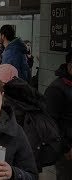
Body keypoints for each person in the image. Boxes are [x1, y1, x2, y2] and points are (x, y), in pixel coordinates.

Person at [44, 50, 72, 180]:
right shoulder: (56, 89)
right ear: (69, 66)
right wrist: (66, 148)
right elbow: (50, 123)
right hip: (67, 148)